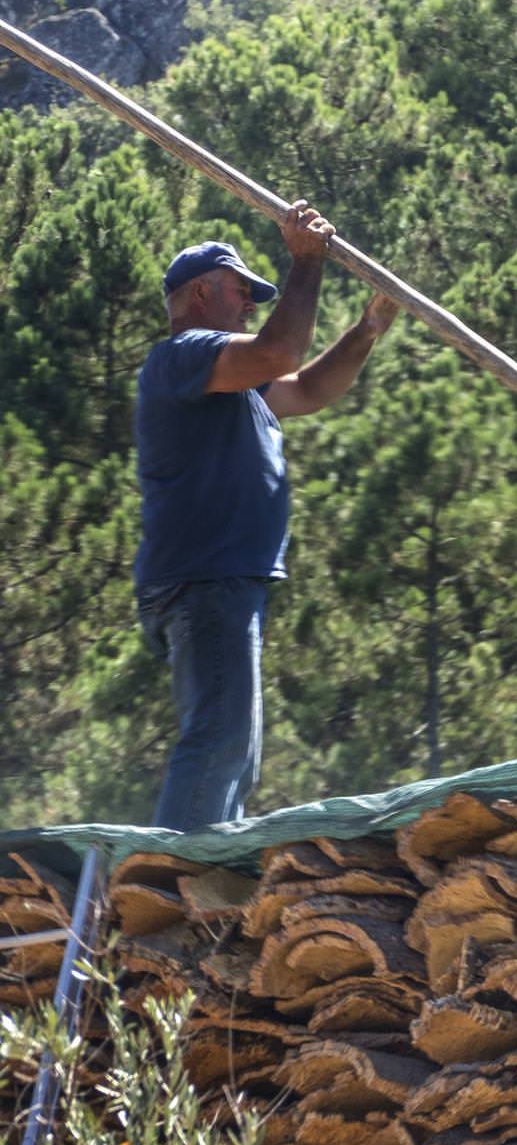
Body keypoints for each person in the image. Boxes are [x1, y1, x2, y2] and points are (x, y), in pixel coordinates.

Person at [134, 202, 400, 829]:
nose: (249, 304)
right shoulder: (184, 355)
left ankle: (186, 885)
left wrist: (368, 328)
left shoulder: (232, 382)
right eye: (240, 291)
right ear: (199, 293)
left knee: (234, 750)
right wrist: (305, 261)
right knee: (221, 743)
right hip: (208, 576)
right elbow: (281, 351)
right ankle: (168, 890)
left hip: (223, 578)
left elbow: (306, 388)